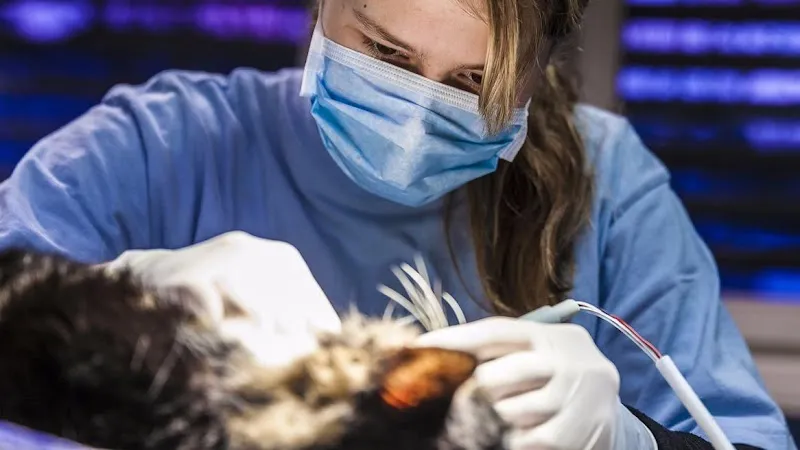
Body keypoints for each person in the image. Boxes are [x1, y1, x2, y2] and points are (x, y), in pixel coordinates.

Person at [0, 0, 795, 448]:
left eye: (474, 82)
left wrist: (628, 440)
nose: (415, 119)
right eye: (385, 53)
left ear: (539, 69)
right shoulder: (163, 145)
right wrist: (111, 298)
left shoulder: (608, 184)